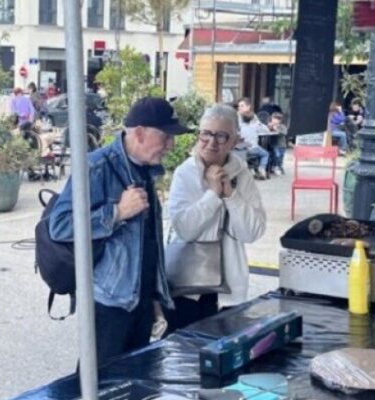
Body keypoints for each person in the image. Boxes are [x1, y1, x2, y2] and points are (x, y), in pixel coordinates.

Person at [48, 97, 190, 365]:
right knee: (100, 383)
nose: (171, 145)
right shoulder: (96, 166)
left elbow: (147, 241)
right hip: (109, 301)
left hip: (141, 300)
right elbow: (61, 225)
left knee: (133, 381)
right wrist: (117, 212)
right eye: (166, 136)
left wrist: (155, 296)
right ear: (139, 132)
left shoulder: (147, 170)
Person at [163, 105, 266, 332]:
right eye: (206, 134)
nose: (211, 142)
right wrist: (213, 194)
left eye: (221, 136)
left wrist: (230, 193)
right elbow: (185, 230)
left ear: (235, 140)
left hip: (228, 291)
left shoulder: (241, 174)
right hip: (187, 288)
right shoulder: (185, 172)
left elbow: (252, 232)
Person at [236, 98, 270, 179]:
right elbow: (263, 129)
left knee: (252, 152)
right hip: (248, 147)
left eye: (242, 106)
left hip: (241, 147)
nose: (239, 108)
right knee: (263, 153)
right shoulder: (237, 117)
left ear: (248, 107)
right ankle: (261, 169)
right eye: (239, 106)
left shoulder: (252, 116)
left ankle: (253, 170)